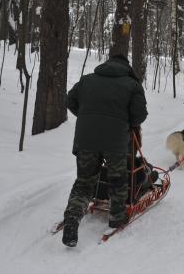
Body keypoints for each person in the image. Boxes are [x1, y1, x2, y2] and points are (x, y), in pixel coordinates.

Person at [62, 54, 148, 247]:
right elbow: (139, 115)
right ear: (127, 68)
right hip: (115, 142)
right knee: (117, 180)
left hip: (86, 140)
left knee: (84, 182)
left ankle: (72, 218)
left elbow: (70, 101)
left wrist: (87, 116)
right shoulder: (132, 85)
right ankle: (116, 218)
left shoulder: (87, 80)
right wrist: (127, 123)